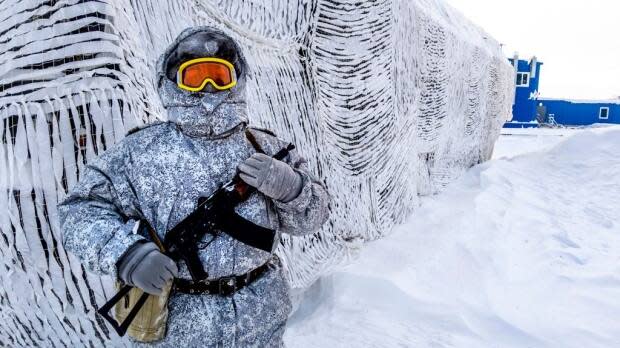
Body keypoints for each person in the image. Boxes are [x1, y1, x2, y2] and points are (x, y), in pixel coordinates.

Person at [59, 26, 330, 347]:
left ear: (238, 79)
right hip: (179, 329)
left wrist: (294, 188)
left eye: (219, 76)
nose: (208, 88)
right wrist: (128, 255)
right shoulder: (140, 152)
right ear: (171, 83)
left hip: (261, 321)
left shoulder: (265, 147)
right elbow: (78, 212)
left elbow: (313, 218)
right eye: (195, 77)